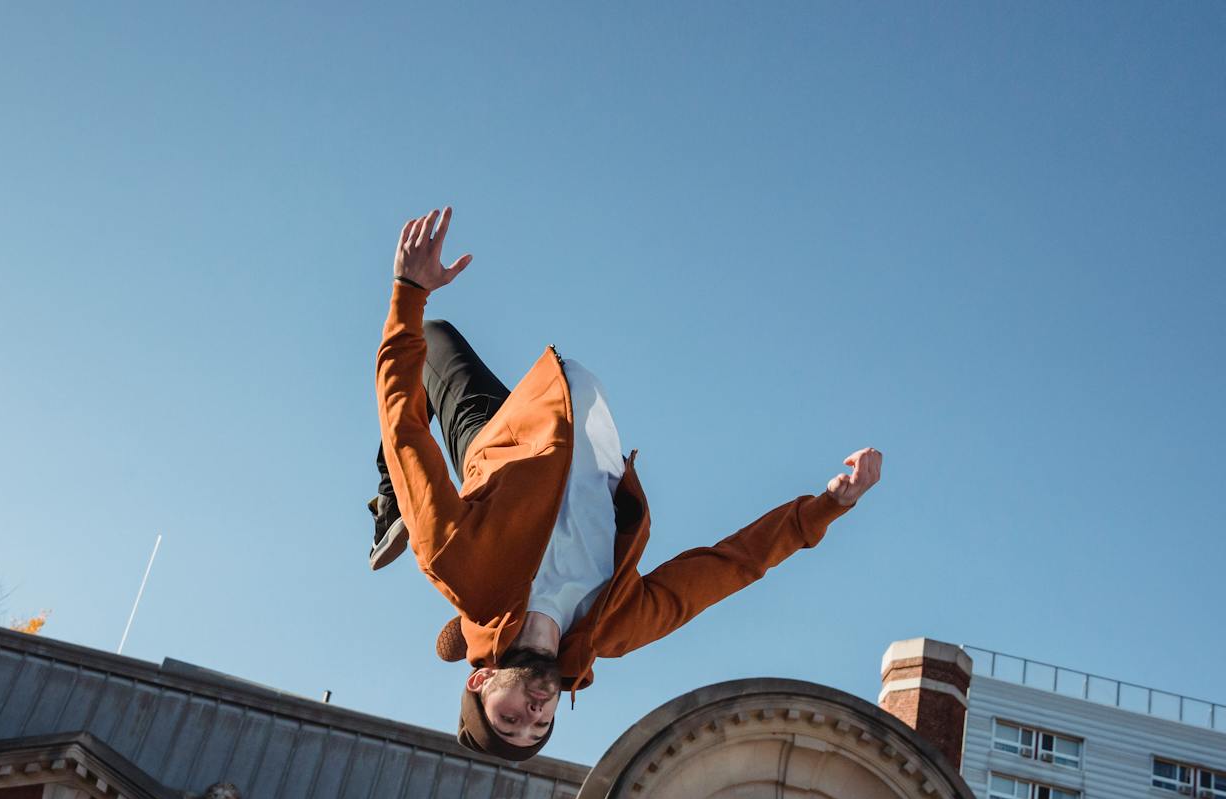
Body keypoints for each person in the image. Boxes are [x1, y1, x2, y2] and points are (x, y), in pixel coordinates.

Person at [373, 207, 882, 761]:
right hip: (557, 418)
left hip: (497, 439)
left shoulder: (463, 567)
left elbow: (403, 427)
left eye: (510, 718)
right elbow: (731, 567)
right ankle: (443, 599)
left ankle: (389, 502)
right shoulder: (617, 626)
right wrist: (826, 507)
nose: (533, 715)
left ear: (480, 683)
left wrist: (408, 290)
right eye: (537, 728)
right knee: (425, 379)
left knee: (428, 340)